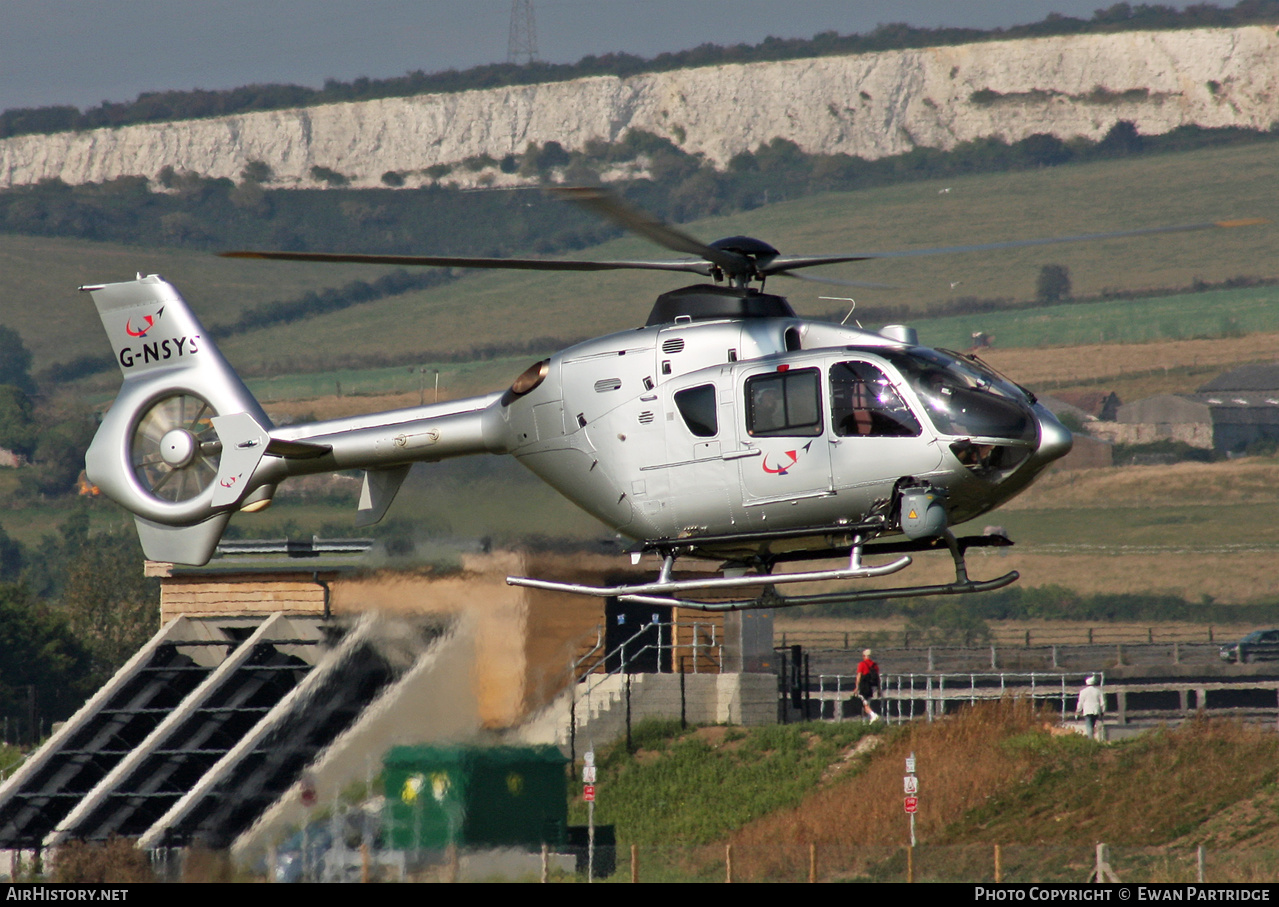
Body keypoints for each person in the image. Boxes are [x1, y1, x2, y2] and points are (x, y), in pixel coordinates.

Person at [1075, 674, 1105, 740]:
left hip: (1087, 710)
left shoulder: (1083, 692)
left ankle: (1090, 739)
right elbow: (1102, 703)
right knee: (1093, 725)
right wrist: (1102, 711)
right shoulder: (1098, 691)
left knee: (1088, 726)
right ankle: (1093, 738)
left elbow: (1080, 702)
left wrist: (1078, 711)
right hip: (1096, 710)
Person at [855, 648, 881, 722]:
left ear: (864, 656)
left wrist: (857, 687)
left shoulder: (862, 664)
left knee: (865, 704)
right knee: (866, 704)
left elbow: (859, 676)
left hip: (864, 687)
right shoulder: (875, 665)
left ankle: (873, 715)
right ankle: (865, 721)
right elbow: (878, 678)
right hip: (873, 687)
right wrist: (879, 689)